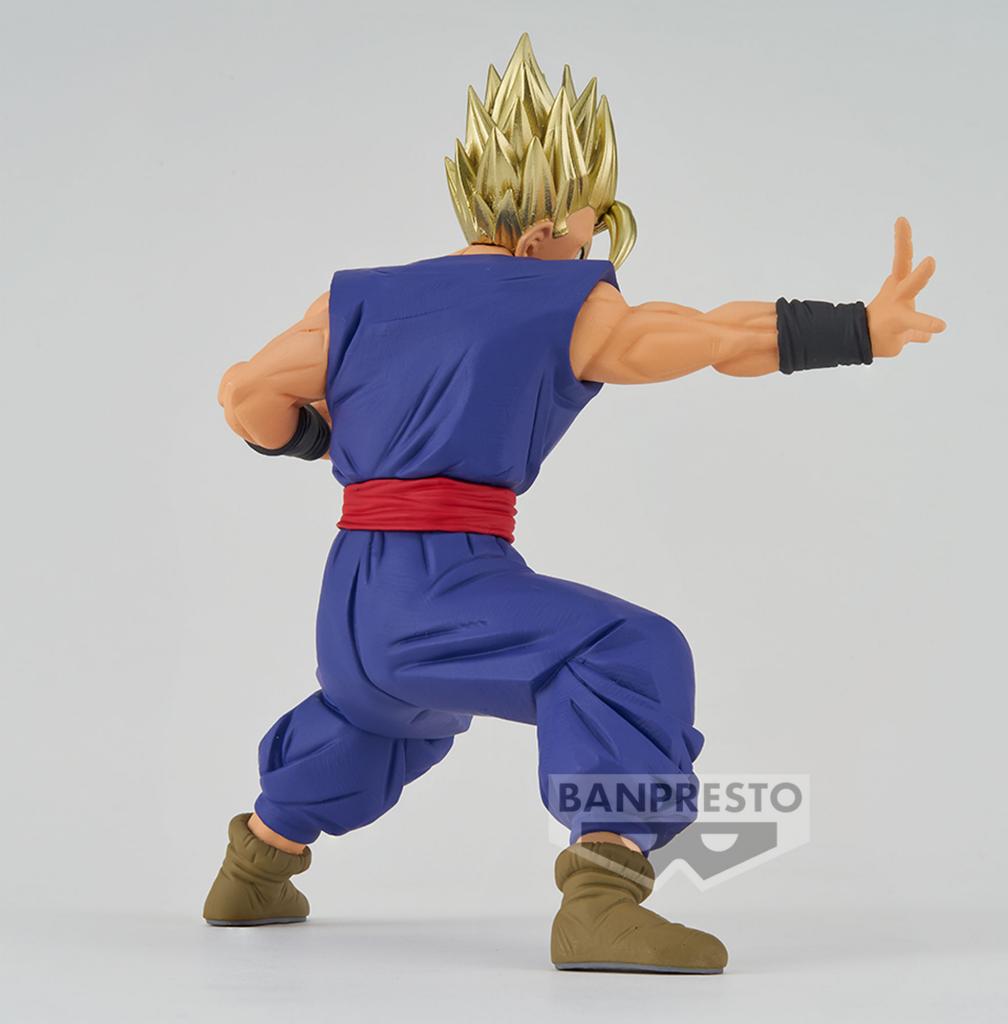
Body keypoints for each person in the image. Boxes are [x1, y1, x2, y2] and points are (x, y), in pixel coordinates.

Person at [203, 34, 944, 973]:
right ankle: (602, 898)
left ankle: (255, 868)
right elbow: (715, 337)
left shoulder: (351, 303)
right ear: (542, 231)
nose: (590, 253)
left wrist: (323, 442)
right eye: (589, 233)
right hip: (440, 579)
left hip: (350, 600)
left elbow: (245, 394)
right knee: (628, 652)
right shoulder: (558, 301)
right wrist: (859, 329)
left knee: (380, 716)